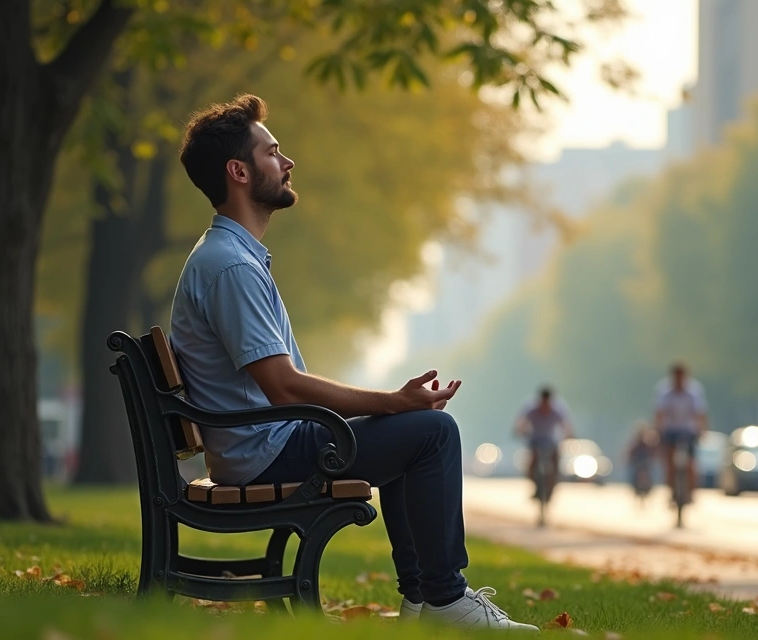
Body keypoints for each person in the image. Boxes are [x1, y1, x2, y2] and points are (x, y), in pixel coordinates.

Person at [168, 94, 536, 631]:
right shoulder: (230, 267)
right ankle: (445, 599)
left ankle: (424, 601)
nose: (287, 162)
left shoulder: (232, 257)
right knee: (433, 432)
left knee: (413, 428)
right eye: (273, 152)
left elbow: (280, 388)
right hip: (264, 452)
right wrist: (392, 401)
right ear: (238, 171)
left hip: (261, 444)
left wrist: (391, 408)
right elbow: (283, 387)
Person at [653, 362, 708, 502]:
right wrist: (658, 431)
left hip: (688, 431)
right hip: (670, 430)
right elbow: (660, 413)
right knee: (669, 461)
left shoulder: (694, 391)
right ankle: (671, 491)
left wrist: (702, 431)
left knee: (690, 463)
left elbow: (700, 413)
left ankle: (691, 492)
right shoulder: (664, 391)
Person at [512, 386, 574, 501]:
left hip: (550, 441)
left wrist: (569, 435)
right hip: (535, 440)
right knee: (532, 462)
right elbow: (521, 423)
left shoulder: (556, 411)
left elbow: (566, 426)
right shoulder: (531, 410)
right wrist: (521, 430)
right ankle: (535, 486)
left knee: (556, 460)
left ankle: (553, 483)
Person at [623, 420, 658, 505]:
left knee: (652, 474)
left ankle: (649, 489)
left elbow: (653, 455)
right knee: (631, 475)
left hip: (645, 466)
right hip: (637, 466)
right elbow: (629, 454)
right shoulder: (635, 444)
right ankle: (634, 488)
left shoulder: (648, 444)